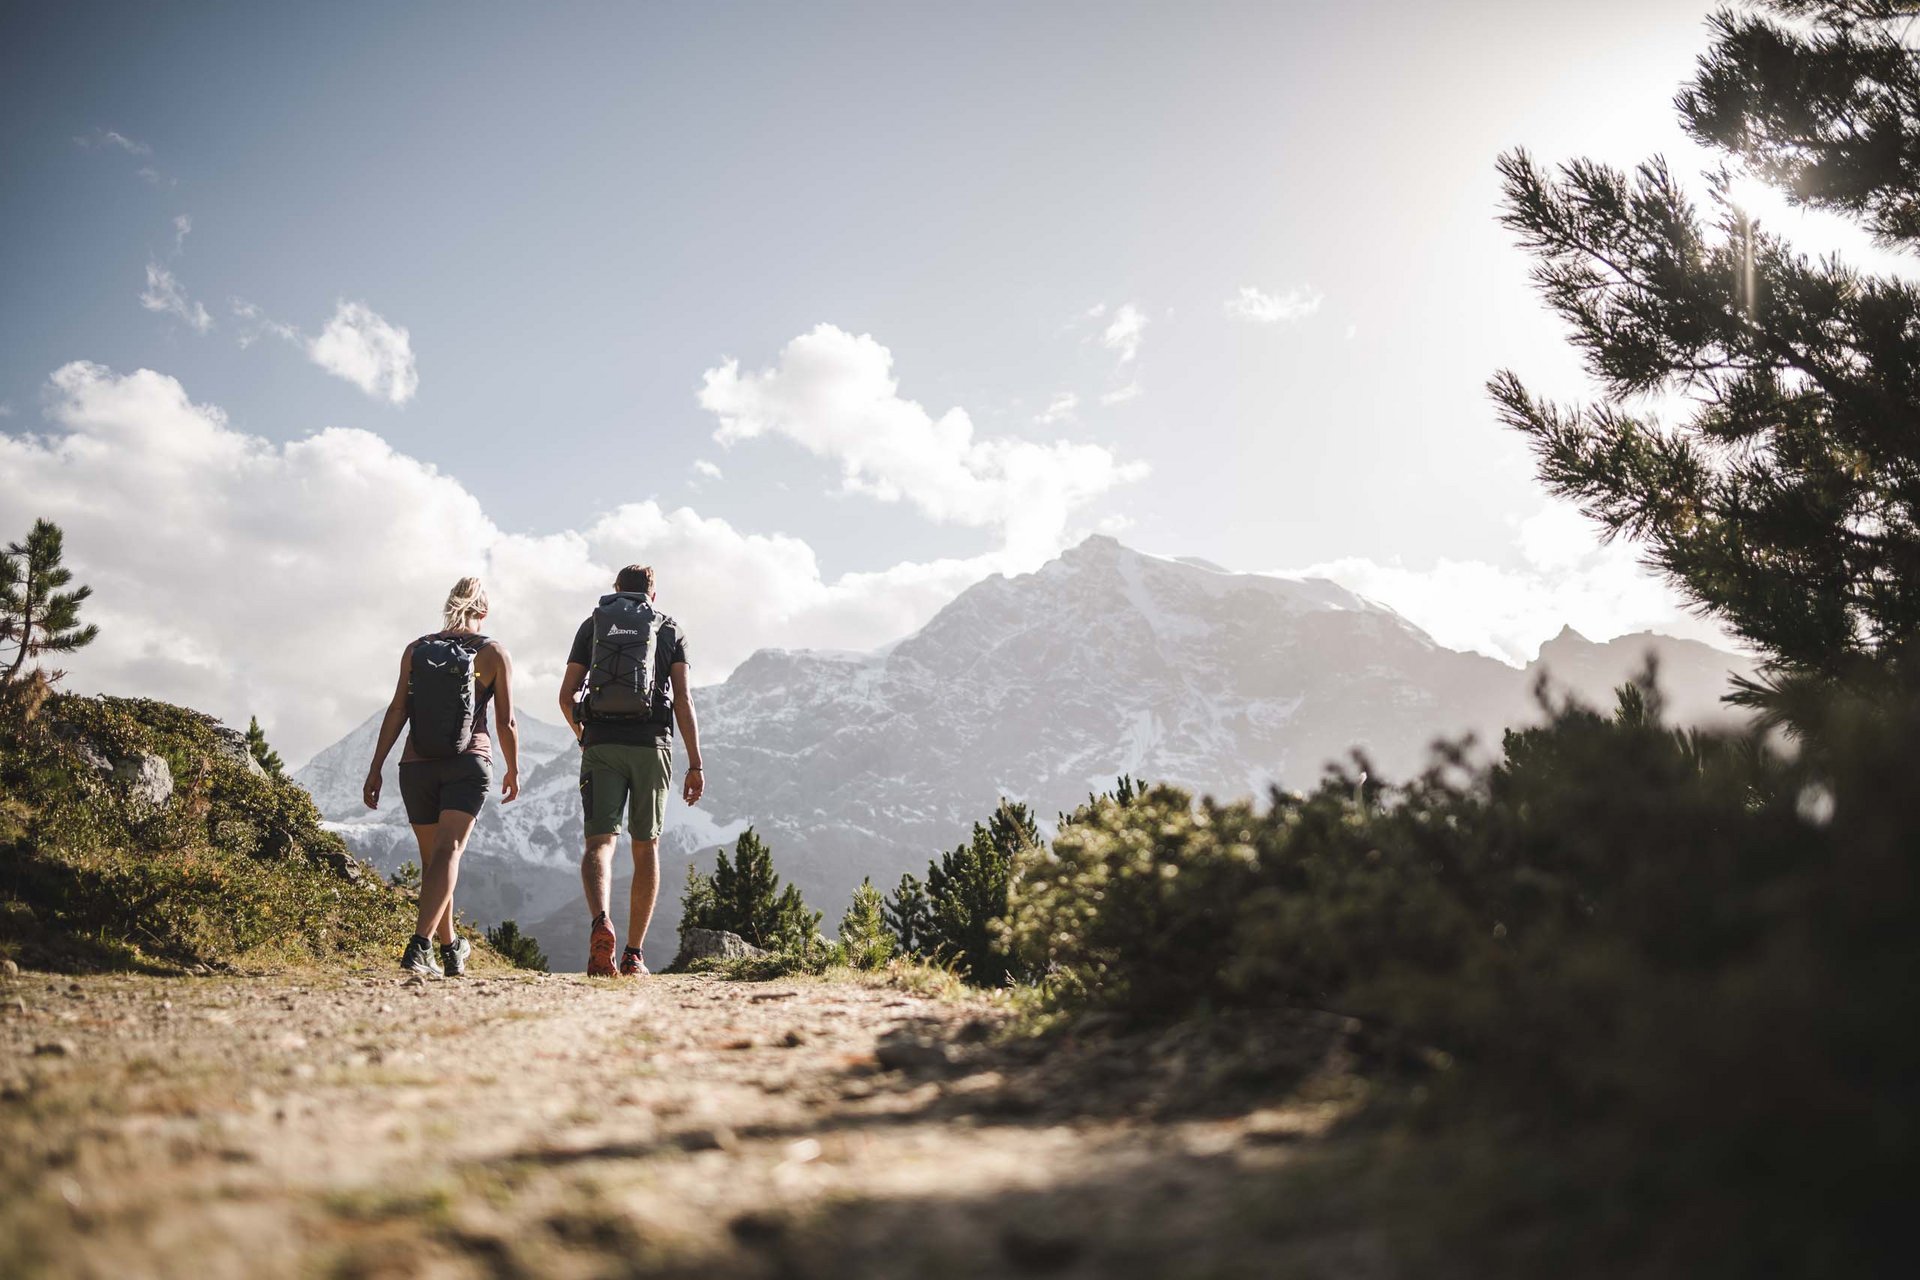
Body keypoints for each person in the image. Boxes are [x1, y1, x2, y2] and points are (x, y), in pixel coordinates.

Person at [363, 576, 520, 976]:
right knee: (448, 853)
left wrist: (376, 766)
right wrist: (514, 767)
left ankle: (449, 949)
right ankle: (419, 947)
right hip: (468, 762)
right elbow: (506, 721)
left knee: (434, 860)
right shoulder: (492, 653)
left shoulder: (416, 650)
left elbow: (398, 709)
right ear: (483, 612)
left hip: (415, 765)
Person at [558, 563, 703, 976]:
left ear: (617, 590)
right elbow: (684, 701)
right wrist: (695, 763)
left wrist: (582, 733)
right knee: (645, 846)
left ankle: (600, 923)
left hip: (602, 742)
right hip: (652, 744)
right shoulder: (669, 629)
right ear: (652, 594)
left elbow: (566, 695)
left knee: (600, 843)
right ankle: (634, 955)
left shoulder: (594, 625)